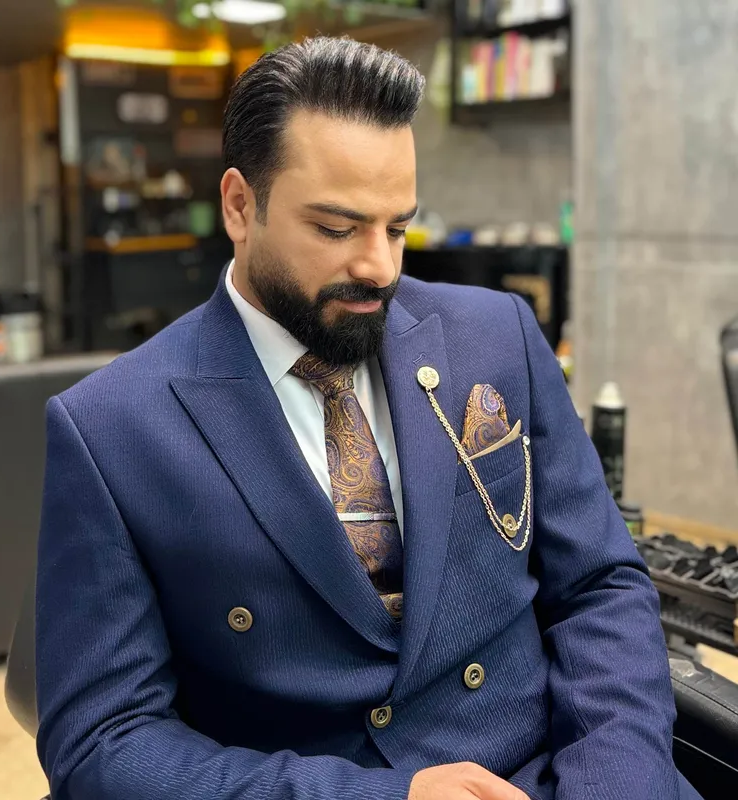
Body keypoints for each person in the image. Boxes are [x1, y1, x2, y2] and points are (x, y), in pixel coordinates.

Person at [35, 37, 703, 800]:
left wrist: (613, 781)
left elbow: (599, 586)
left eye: (397, 227)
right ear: (240, 206)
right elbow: (102, 741)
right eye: (336, 228)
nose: (380, 267)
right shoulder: (113, 429)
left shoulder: (499, 337)